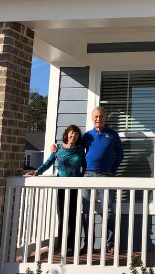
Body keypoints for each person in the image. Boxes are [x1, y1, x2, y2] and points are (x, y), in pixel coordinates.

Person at [52, 106, 124, 254]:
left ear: (105, 118)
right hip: (88, 175)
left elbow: (120, 155)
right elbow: (71, 147)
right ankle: (88, 243)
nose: (99, 119)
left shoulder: (112, 135)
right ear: (93, 119)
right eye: (96, 117)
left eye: (101, 116)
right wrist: (56, 147)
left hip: (106, 175)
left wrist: (113, 170)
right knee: (86, 211)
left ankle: (109, 244)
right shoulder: (87, 136)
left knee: (108, 211)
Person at [26, 124, 85, 255]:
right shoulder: (58, 149)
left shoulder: (81, 150)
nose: (73, 136)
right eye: (71, 133)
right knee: (63, 215)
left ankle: (72, 246)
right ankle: (62, 245)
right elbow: (48, 162)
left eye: (76, 134)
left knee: (73, 216)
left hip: (75, 186)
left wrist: (85, 179)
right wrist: (37, 172)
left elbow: (85, 166)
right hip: (61, 187)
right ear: (66, 134)